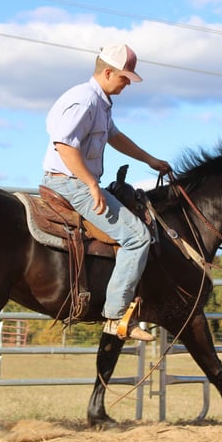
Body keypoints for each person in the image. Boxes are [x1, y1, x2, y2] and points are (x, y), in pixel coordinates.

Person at [42, 44, 171, 342]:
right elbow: (64, 145)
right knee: (137, 237)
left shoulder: (100, 103)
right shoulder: (84, 101)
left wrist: (149, 159)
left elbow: (114, 136)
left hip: (76, 180)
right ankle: (114, 317)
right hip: (71, 183)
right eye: (124, 78)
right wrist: (91, 183)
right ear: (108, 72)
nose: (127, 83)